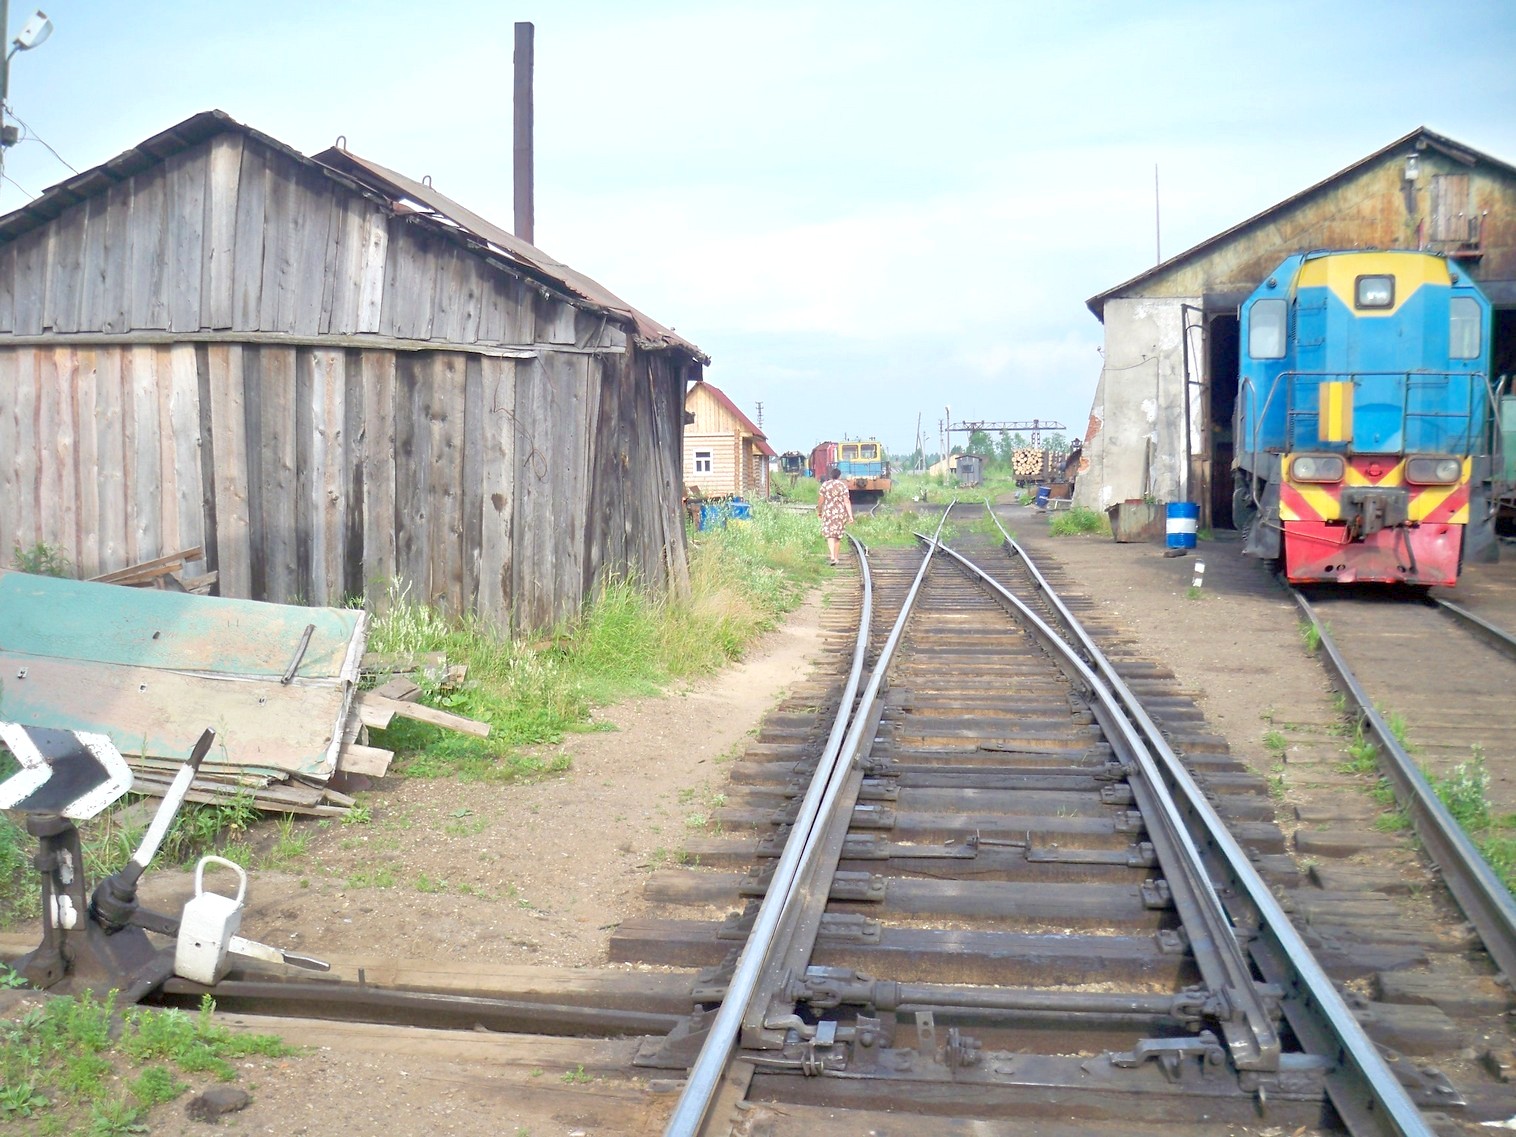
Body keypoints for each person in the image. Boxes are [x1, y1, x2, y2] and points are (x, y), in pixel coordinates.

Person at [816, 464, 854, 565]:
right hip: (840, 514)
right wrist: (850, 516)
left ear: (831, 475)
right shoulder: (843, 486)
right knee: (837, 537)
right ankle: (836, 558)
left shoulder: (825, 485)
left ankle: (832, 556)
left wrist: (819, 511)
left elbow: (821, 500)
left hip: (828, 512)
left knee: (830, 535)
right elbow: (847, 501)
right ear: (839, 476)